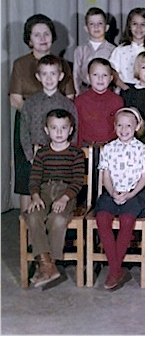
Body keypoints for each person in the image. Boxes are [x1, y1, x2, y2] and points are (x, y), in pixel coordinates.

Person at [10, 14, 75, 213]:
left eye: (46, 33)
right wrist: (37, 116)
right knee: (27, 179)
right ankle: (27, 234)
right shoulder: (21, 64)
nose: (42, 38)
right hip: (29, 125)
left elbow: (70, 96)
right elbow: (15, 99)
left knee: (56, 176)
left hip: (59, 128)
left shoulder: (62, 64)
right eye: (36, 35)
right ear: (29, 40)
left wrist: (55, 123)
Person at [24, 109, 85, 287]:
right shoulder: (42, 153)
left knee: (57, 219)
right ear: (46, 130)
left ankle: (46, 266)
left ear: (71, 130)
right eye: (54, 128)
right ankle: (48, 266)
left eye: (63, 128)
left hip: (66, 192)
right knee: (34, 216)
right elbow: (34, 179)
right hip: (43, 191)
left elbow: (77, 181)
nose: (59, 132)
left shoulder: (76, 153)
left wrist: (64, 199)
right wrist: (35, 197)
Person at [95, 107, 145, 291]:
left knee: (127, 219)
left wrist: (129, 194)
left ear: (137, 127)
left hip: (135, 193)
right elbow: (106, 176)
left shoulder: (142, 149)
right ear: (114, 126)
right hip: (112, 192)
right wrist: (113, 193)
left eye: (128, 125)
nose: (124, 129)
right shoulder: (109, 148)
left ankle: (113, 271)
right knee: (102, 217)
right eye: (119, 125)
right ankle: (117, 269)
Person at [21, 55, 78, 164]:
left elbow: (74, 131)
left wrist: (69, 154)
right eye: (44, 74)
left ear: (60, 76)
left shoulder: (67, 104)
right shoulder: (30, 103)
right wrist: (30, 156)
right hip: (37, 156)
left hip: (62, 156)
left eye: (53, 73)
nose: (49, 79)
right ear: (38, 76)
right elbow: (24, 131)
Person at [109, 7, 145, 90]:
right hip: (126, 89)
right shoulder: (120, 50)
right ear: (129, 26)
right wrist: (124, 87)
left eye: (143, 24)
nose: (138, 28)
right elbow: (113, 72)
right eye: (135, 24)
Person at [74, 57, 124, 146]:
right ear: (88, 77)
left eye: (104, 75)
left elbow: (120, 127)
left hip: (111, 146)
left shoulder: (117, 101)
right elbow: (77, 128)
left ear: (111, 78)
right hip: (86, 146)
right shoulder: (80, 101)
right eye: (95, 75)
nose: (100, 79)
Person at [73, 7, 119, 95]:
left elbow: (117, 74)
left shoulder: (113, 50)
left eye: (100, 23)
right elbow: (76, 74)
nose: (96, 27)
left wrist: (116, 93)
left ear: (106, 27)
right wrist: (78, 93)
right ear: (86, 28)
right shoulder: (80, 50)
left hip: (107, 92)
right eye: (92, 24)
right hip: (85, 91)